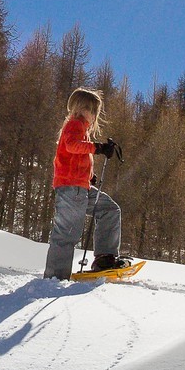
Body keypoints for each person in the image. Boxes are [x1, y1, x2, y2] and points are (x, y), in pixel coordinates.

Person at [43, 87, 130, 279]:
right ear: (82, 109)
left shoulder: (81, 129)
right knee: (67, 234)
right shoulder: (74, 124)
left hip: (80, 187)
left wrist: (88, 175)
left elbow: (71, 157)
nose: (94, 115)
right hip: (71, 189)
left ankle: (105, 258)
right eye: (92, 110)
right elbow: (72, 146)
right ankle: (55, 278)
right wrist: (97, 148)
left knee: (110, 210)